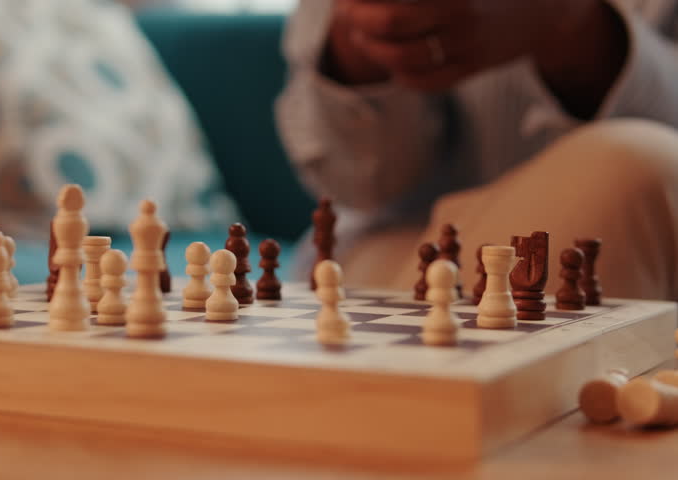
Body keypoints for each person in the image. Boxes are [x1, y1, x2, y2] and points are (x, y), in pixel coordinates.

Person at [277, 0, 678, 300]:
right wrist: (361, 45)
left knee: (631, 166)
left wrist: (572, 28)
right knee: (630, 168)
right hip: (399, 249)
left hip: (627, 258)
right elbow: (355, 186)